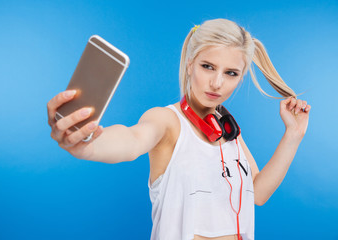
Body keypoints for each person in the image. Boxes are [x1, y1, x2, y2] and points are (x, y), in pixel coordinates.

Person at [47, 18, 311, 240]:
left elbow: (259, 193)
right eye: (207, 66)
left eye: (231, 73)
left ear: (240, 78)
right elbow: (131, 140)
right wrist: (87, 145)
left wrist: (293, 135)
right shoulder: (167, 121)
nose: (217, 83)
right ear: (189, 64)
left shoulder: (228, 132)